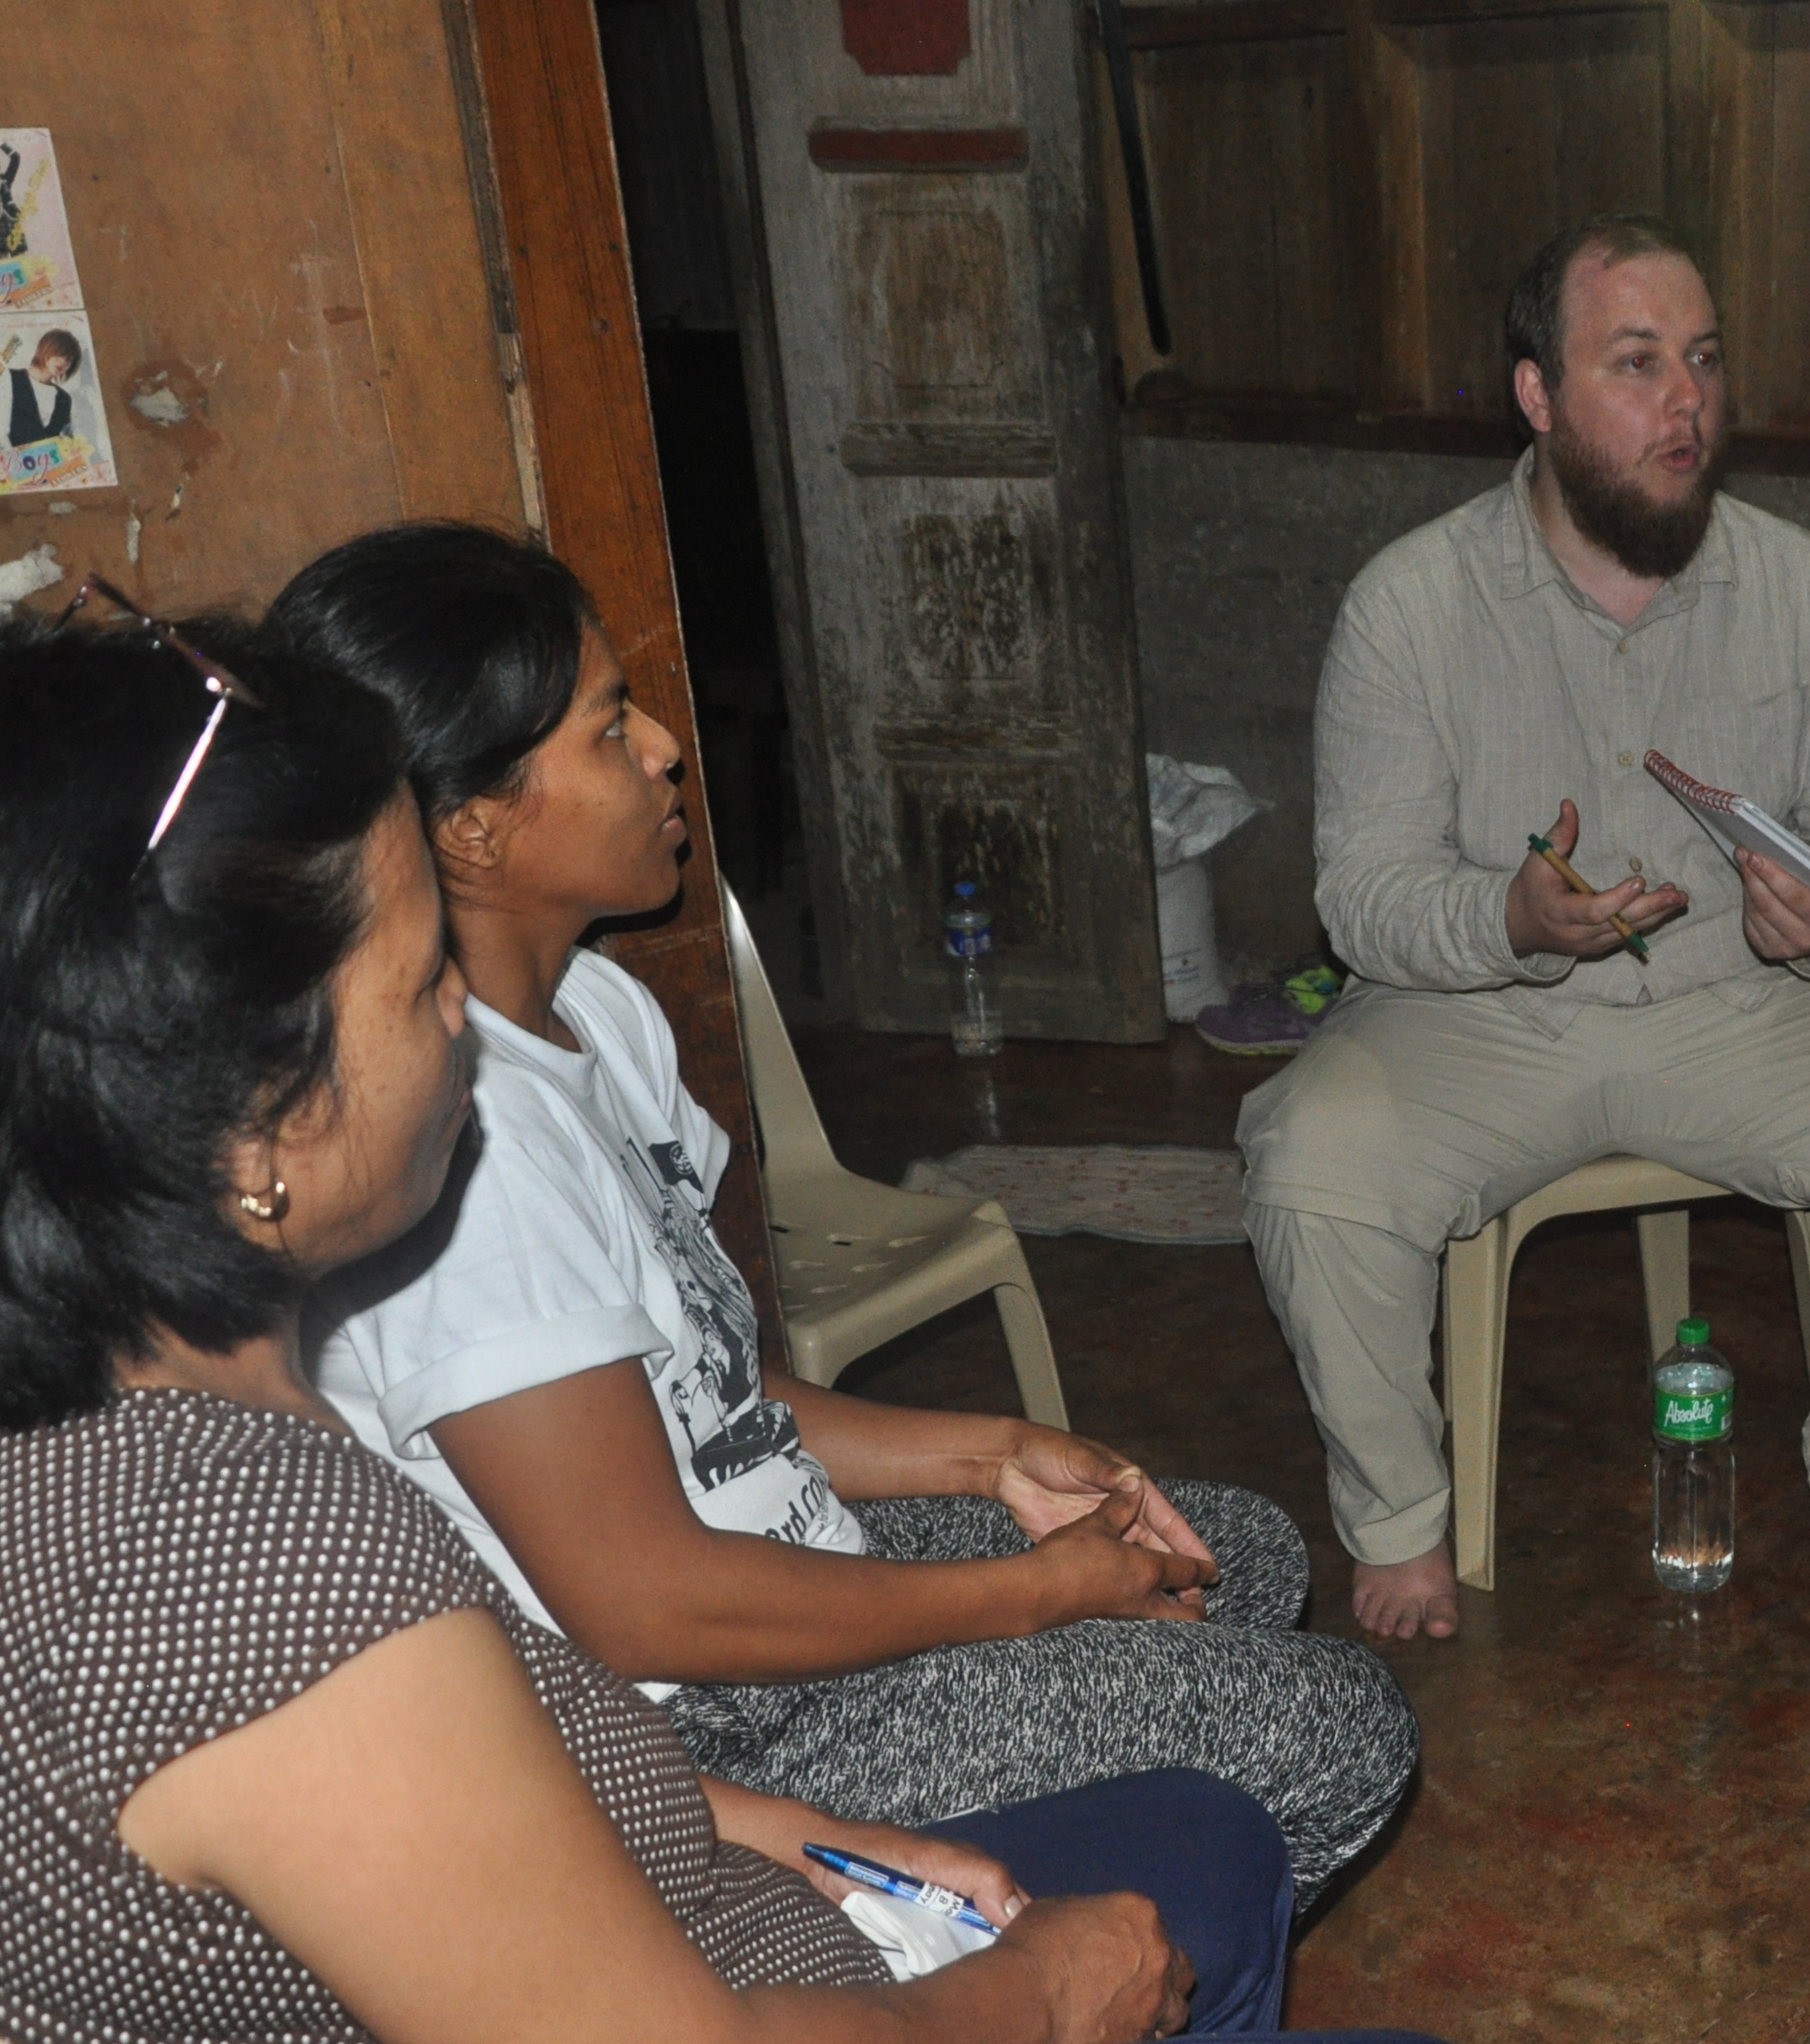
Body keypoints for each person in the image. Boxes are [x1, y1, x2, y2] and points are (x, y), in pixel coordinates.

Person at [0, 615, 1533, 2044]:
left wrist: (801, 1835)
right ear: (244, 1117)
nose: (460, 1017)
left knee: (1206, 1853)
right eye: (417, 978)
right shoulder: (237, 1568)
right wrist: (1025, 1998)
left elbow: (434, 1819)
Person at [280, 526, 1420, 1907]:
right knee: (1338, 1726)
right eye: (609, 729)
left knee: (1226, 1557)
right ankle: (966, 1977)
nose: (665, 750)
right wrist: (1029, 1597)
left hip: (782, 1575)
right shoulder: (473, 1154)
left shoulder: (598, 1011)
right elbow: (643, 1605)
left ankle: (1075, 1894)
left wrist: (990, 1455)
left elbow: (711, 1398)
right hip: (699, 1721)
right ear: (473, 823)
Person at [1237, 214, 1810, 1637]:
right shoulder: (1408, 605)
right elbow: (1364, 895)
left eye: (1704, 362)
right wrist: (1509, 914)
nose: (1686, 404)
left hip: (1746, 1008)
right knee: (1313, 1155)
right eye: (1638, 364)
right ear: (1536, 394)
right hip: (1484, 1018)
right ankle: (1400, 1516)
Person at [4, 325, 78, 449]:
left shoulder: (64, 399)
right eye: (59, 353)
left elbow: (65, 444)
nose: (63, 361)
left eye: (69, 359)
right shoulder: (11, 378)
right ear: (46, 348)